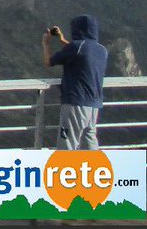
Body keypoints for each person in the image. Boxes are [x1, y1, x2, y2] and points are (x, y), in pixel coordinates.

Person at [43, 15, 107, 150]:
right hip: (94, 105)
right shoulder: (102, 50)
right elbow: (81, 51)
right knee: (89, 143)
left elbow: (49, 61)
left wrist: (46, 44)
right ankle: (94, 169)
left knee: (67, 144)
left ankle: (65, 170)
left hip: (76, 102)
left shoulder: (75, 47)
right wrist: (62, 39)